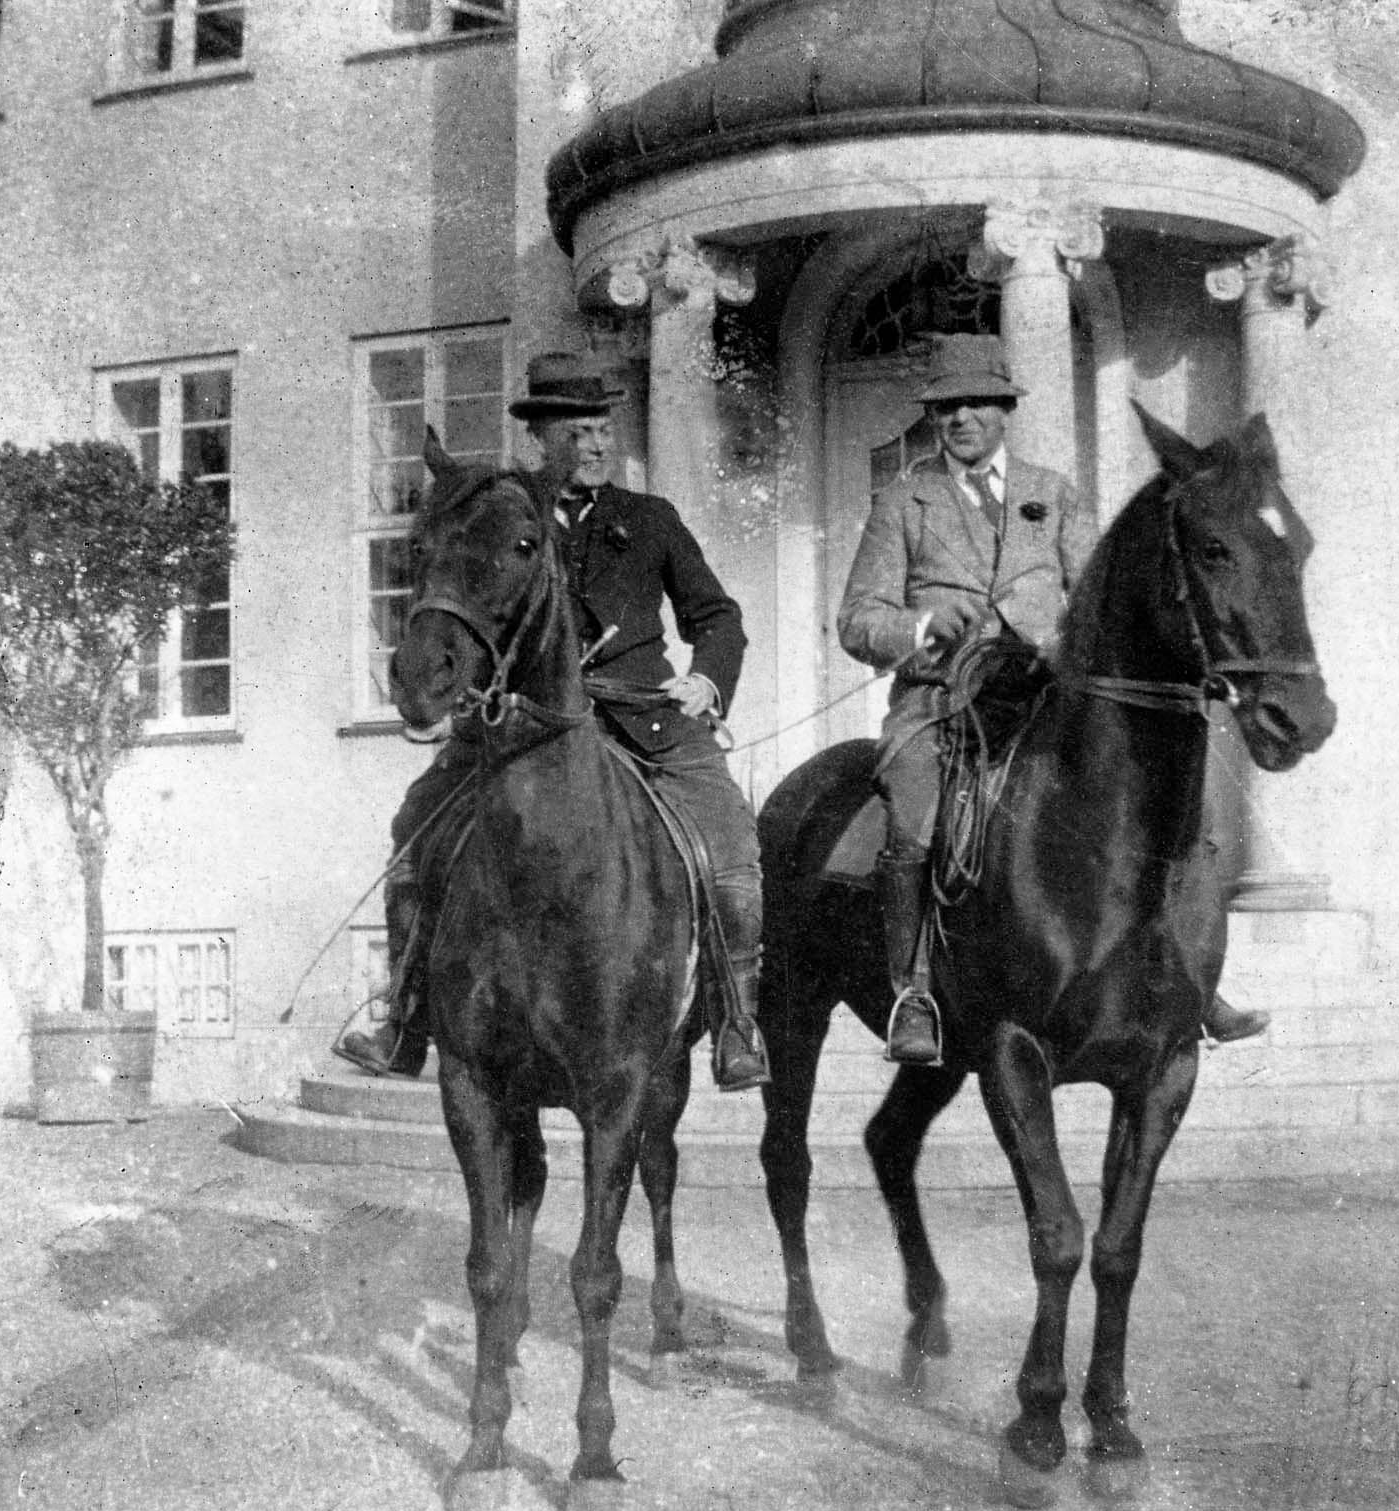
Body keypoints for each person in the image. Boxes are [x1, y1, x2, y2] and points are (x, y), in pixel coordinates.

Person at [336, 351, 770, 1091]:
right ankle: (403, 1019)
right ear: (541, 441)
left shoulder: (650, 519)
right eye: (580, 431)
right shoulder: (501, 518)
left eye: (603, 428)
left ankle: (736, 1025)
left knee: (729, 849)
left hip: (646, 720)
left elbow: (717, 617)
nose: (598, 444)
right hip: (522, 722)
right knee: (415, 828)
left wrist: (706, 680)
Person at [837, 334, 1267, 1065]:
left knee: (1150, 803)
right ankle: (913, 991)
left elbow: (1098, 595)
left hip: (1043, 696)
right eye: (946, 408)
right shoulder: (902, 502)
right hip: (944, 703)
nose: (960, 418)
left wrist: (1065, 645)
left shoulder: (1052, 492)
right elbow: (856, 619)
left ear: (1005, 410)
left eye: (976, 403)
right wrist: (918, 625)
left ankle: (1191, 976)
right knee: (914, 817)